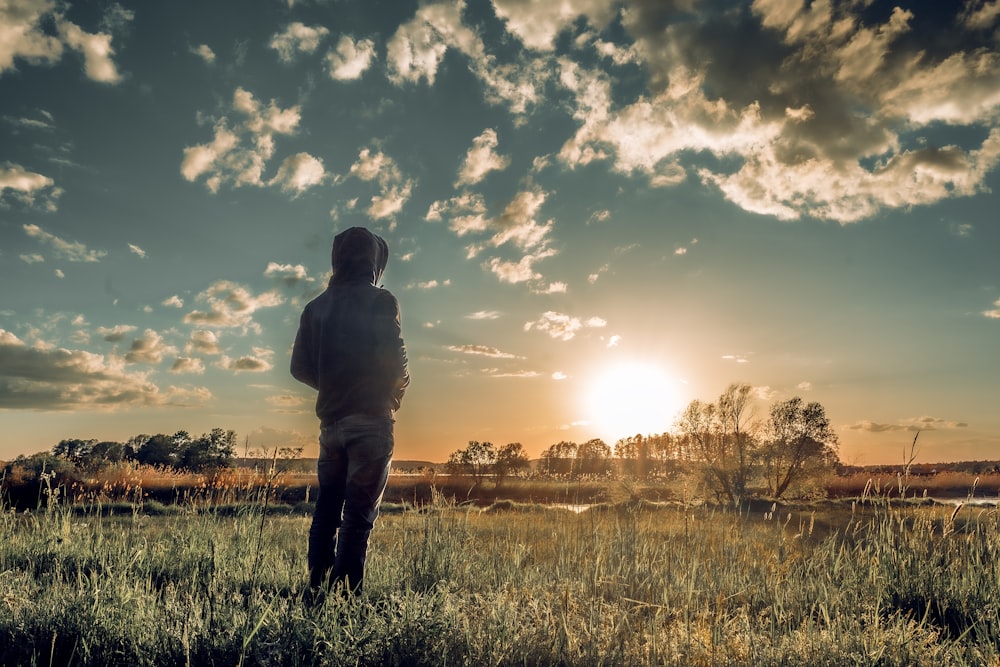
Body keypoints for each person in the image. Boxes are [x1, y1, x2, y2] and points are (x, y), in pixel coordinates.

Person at [291, 226, 409, 598]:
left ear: (337, 259)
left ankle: (316, 592)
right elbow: (396, 362)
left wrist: (331, 386)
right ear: (375, 261)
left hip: (331, 426)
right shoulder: (381, 301)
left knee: (325, 514)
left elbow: (298, 367)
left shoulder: (315, 308)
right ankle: (343, 602)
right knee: (357, 520)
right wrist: (393, 395)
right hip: (371, 422)